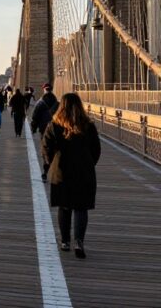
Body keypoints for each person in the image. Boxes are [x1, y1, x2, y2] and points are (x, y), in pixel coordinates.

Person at [42, 92, 101, 259]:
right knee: (81, 208)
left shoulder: (54, 125)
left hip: (61, 171)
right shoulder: (88, 126)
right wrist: (88, 164)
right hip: (83, 172)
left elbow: (46, 147)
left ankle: (65, 241)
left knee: (64, 206)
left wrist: (52, 164)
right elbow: (96, 150)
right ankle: (79, 242)